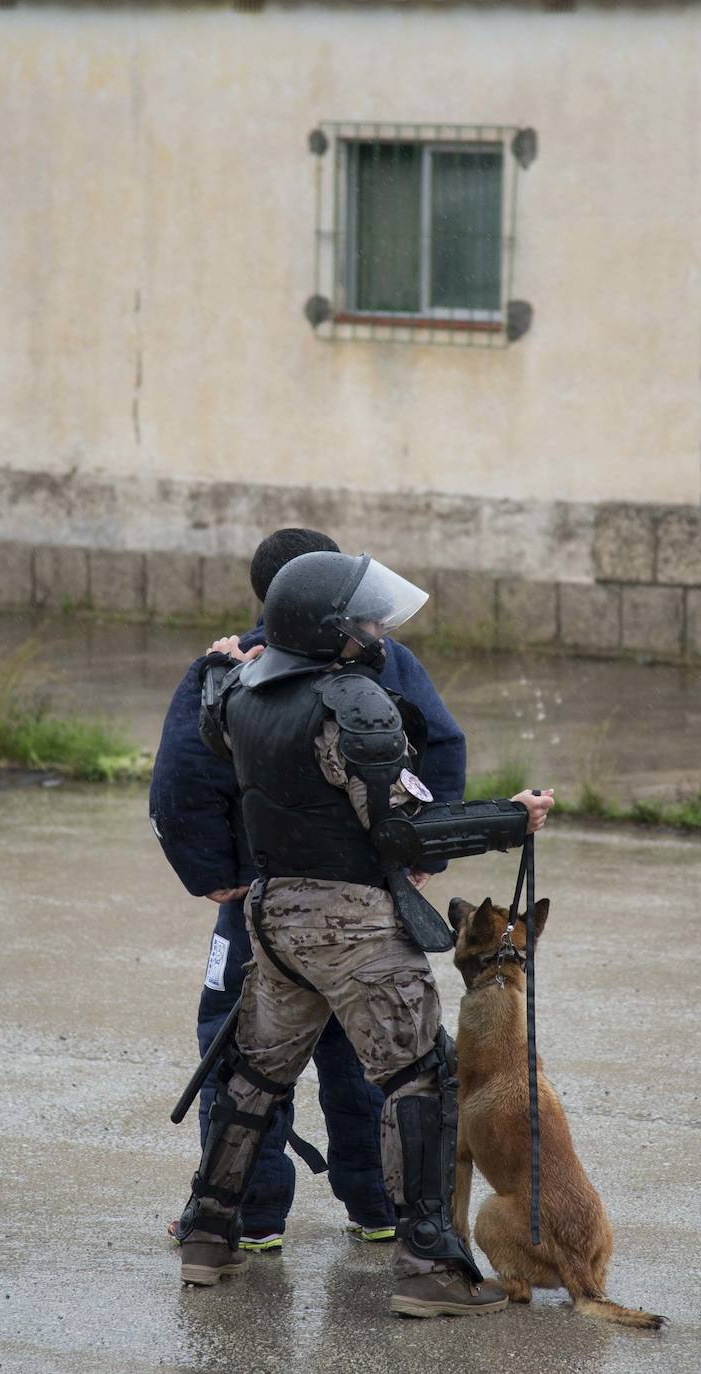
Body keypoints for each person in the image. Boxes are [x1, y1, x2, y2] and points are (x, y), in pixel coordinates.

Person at [173, 550, 554, 1316]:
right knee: (422, 1081)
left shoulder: (241, 688)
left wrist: (219, 662)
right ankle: (431, 1271)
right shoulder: (353, 703)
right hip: (354, 929)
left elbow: (212, 709)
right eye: (367, 618)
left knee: (252, 1079)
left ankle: (207, 1238)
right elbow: (404, 835)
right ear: (331, 629)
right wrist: (513, 818)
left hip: (272, 917)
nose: (379, 630)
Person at [150, 528, 469, 1249]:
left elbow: (179, 785)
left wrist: (218, 877)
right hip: (362, 902)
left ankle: (245, 1218)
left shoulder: (228, 670)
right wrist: (418, 861)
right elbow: (442, 749)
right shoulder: (379, 660)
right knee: (376, 1055)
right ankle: (383, 1210)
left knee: (246, 1064)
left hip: (261, 904)